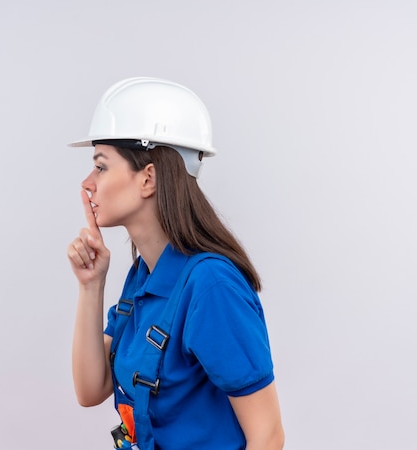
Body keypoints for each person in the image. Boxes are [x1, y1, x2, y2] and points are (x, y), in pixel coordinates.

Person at [67, 77, 284, 450]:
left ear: (148, 177)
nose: (88, 183)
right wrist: (91, 284)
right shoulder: (143, 276)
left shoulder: (211, 286)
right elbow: (91, 389)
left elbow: (268, 437)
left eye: (101, 167)